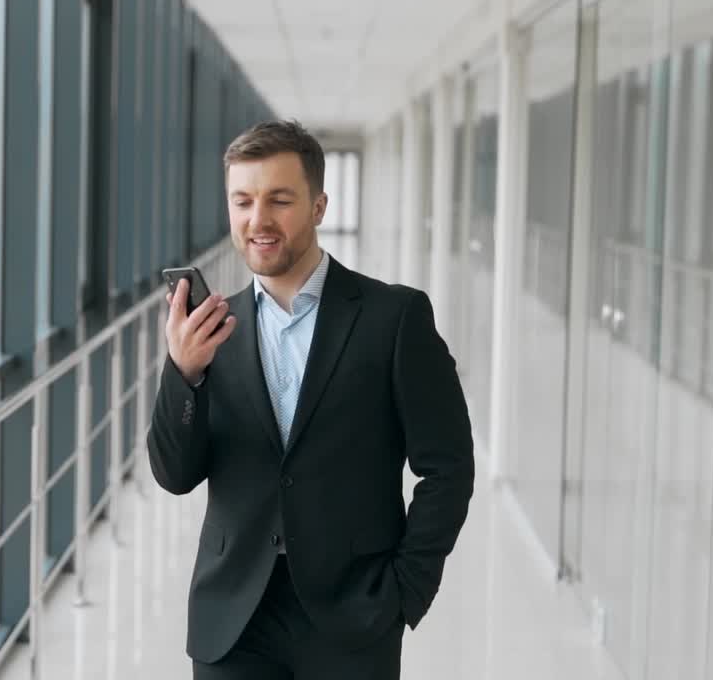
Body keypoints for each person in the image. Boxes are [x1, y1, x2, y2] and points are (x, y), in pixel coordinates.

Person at [148, 120, 474, 680]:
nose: (258, 220)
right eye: (243, 201)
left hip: (353, 616)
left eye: (280, 200)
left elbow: (448, 467)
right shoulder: (211, 331)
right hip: (234, 619)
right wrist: (184, 374)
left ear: (319, 206)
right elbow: (175, 474)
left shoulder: (393, 319)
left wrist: (405, 592)